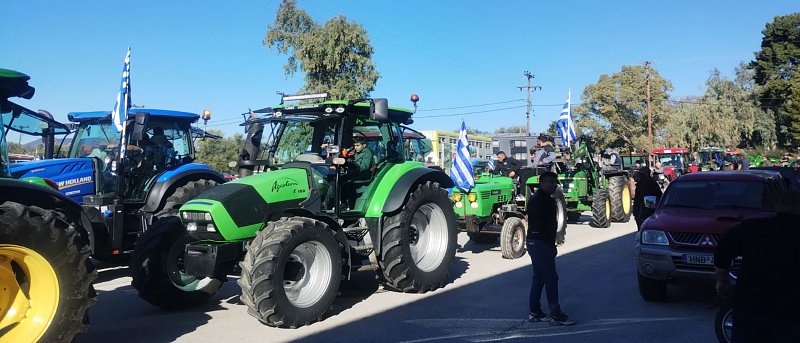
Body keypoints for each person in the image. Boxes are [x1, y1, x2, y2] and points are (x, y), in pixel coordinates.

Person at [714, 190, 800, 342]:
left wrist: (722, 280)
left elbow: (722, 253)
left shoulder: (751, 228)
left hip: (750, 306)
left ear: (776, 205)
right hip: (791, 312)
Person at [526, 171, 574, 326]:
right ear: (542, 183)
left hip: (534, 241)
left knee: (539, 277)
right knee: (551, 278)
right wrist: (550, 245)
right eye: (551, 182)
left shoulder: (536, 199)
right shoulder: (543, 201)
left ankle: (535, 312)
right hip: (541, 243)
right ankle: (556, 314)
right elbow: (545, 227)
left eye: (555, 182)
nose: (554, 185)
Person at [632, 166, 662, 231]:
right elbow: (637, 199)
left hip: (647, 209)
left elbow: (658, 195)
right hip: (644, 209)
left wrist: (636, 211)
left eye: (640, 174)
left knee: (645, 228)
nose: (638, 176)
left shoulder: (649, 182)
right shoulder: (644, 183)